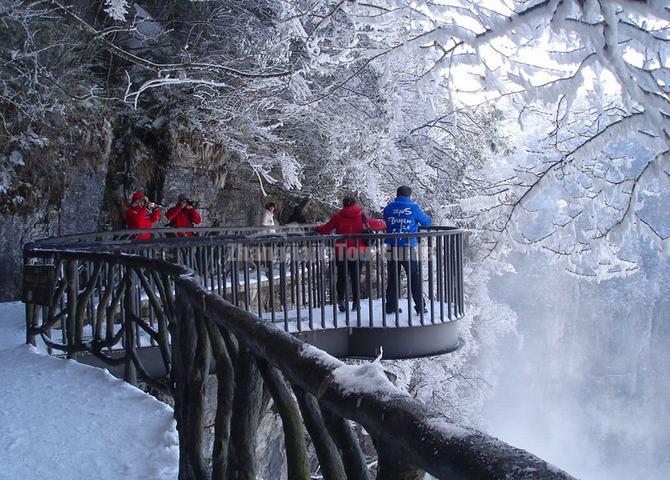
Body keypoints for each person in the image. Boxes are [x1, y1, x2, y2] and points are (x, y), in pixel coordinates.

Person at [315, 196, 386, 312]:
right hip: (360, 251)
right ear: (355, 203)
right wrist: (384, 224)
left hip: (342, 250)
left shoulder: (337, 216)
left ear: (343, 204)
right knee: (355, 277)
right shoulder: (362, 215)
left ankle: (341, 301)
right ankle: (356, 303)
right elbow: (375, 224)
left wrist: (316, 228)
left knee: (342, 276)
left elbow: (325, 229)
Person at [383, 185, 432, 315]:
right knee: (414, 277)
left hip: (392, 246)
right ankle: (420, 307)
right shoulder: (414, 208)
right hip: (407, 247)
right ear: (409, 195)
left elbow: (387, 223)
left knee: (393, 277)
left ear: (397, 194)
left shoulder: (388, 208)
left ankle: (391, 306)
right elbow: (427, 223)